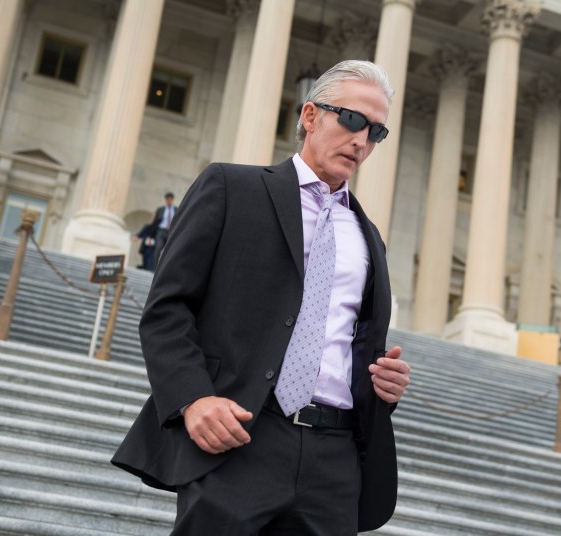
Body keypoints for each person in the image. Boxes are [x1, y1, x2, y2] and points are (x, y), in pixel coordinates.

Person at [112, 60, 411, 535]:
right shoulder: (231, 188)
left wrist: (382, 386)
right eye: (353, 119)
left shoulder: (368, 235)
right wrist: (193, 399)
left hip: (334, 460)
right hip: (243, 436)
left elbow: (350, 344)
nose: (362, 140)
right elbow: (167, 308)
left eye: (377, 131)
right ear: (310, 116)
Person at [151, 192, 176, 268]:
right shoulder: (160, 209)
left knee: (170, 251)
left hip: (171, 232)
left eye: (170, 199)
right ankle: (154, 268)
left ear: (172, 200)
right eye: (167, 199)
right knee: (158, 247)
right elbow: (154, 222)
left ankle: (166, 268)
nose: (169, 201)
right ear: (165, 200)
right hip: (161, 231)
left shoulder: (176, 210)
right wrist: (150, 235)